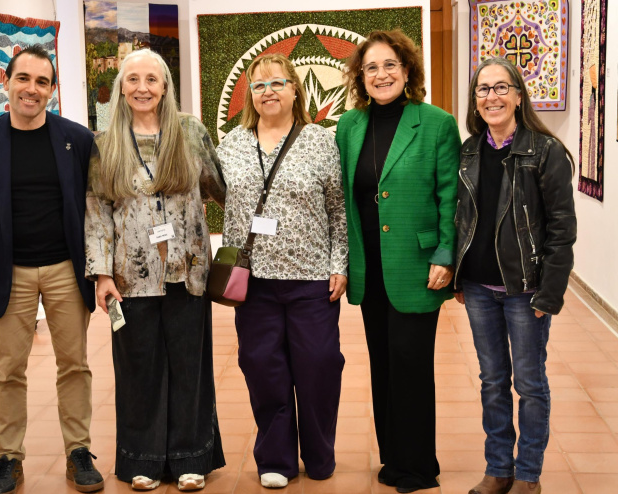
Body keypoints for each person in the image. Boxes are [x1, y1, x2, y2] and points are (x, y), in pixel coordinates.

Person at [0, 45, 104, 494]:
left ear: (52, 89)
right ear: (5, 81)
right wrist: (1, 244)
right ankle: (7, 459)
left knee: (74, 365)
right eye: (24, 79)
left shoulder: (77, 140)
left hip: (64, 270)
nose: (32, 90)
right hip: (9, 273)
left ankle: (79, 452)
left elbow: (92, 206)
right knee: (7, 370)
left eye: (42, 82)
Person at [84, 48, 226, 492]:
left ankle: (190, 457)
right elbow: (97, 213)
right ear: (120, 89)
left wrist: (240, 250)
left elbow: (221, 190)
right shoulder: (104, 145)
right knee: (138, 369)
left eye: (151, 79)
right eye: (133, 80)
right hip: (129, 278)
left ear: (165, 85)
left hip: (187, 273)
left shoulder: (191, 133)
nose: (142, 87)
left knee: (189, 366)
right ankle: (141, 458)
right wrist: (102, 274)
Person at [336, 29, 461, 493]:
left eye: (390, 65)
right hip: (370, 266)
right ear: (360, 77)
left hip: (418, 264)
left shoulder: (435, 123)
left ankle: (417, 466)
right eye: (371, 67)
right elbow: (346, 200)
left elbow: (450, 196)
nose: (381, 74)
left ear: (406, 71)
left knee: (410, 362)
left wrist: (446, 254)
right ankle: (391, 456)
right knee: (382, 363)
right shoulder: (349, 127)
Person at [216, 53, 348, 489]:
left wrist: (339, 264)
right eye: (258, 85)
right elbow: (217, 198)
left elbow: (338, 209)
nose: (267, 91)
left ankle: (319, 453)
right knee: (262, 368)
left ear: (295, 89)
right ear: (249, 96)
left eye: (277, 83)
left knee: (320, 367)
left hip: (311, 277)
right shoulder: (231, 144)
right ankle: (276, 459)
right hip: (252, 282)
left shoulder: (320, 141)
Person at [454, 57, 576, 494]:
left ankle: (528, 476)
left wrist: (549, 295)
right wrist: (460, 276)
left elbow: (563, 231)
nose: (492, 97)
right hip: (479, 290)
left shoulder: (545, 152)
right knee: (491, 381)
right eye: (483, 90)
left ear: (519, 95)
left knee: (529, 384)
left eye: (501, 87)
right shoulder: (468, 152)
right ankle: (498, 469)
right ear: (475, 101)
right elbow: (462, 219)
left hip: (526, 291)